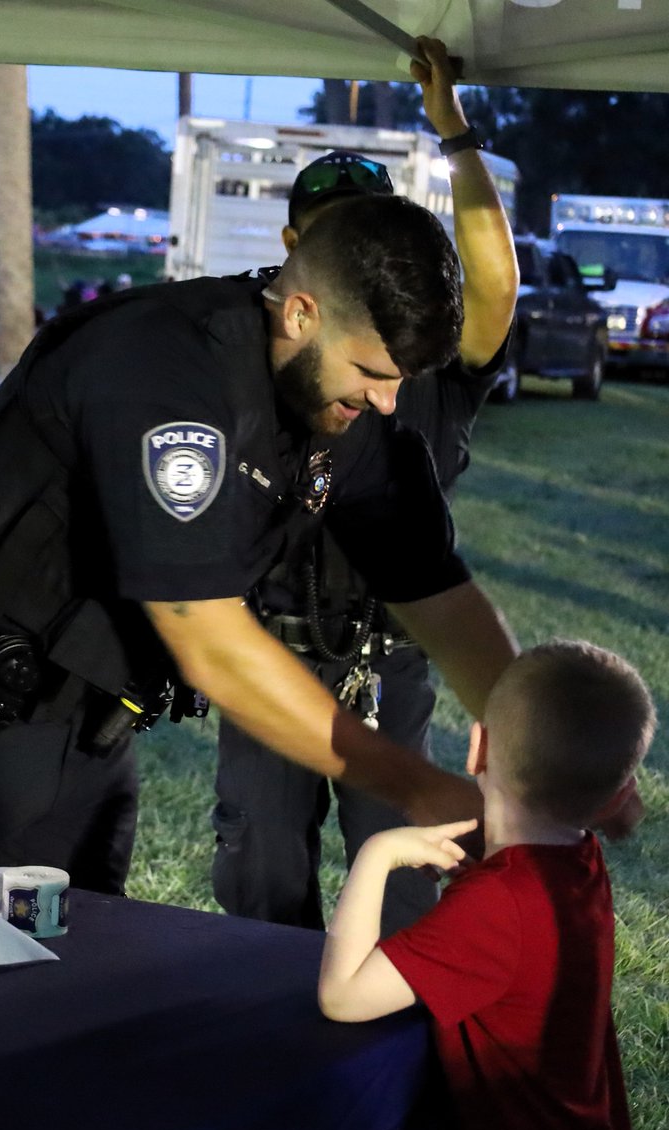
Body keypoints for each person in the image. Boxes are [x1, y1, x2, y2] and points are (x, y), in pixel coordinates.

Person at [0, 180, 519, 911]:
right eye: (372, 373)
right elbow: (208, 640)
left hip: (91, 730)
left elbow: (440, 595)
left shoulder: (340, 404)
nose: (386, 401)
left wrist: (542, 751)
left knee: (58, 979)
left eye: (399, 381)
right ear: (302, 313)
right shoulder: (164, 368)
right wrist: (415, 784)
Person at [212, 37, 521, 934]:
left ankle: (395, 1071)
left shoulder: (427, 349)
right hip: (273, 656)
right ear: (293, 250)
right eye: (330, 236)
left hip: (393, 664)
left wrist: (454, 135)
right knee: (260, 894)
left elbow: (494, 291)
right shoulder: (257, 352)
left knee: (407, 905)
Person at [318, 639, 655, 1130]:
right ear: (613, 798)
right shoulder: (581, 862)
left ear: (478, 749)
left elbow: (342, 996)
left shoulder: (493, 908)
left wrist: (377, 855)